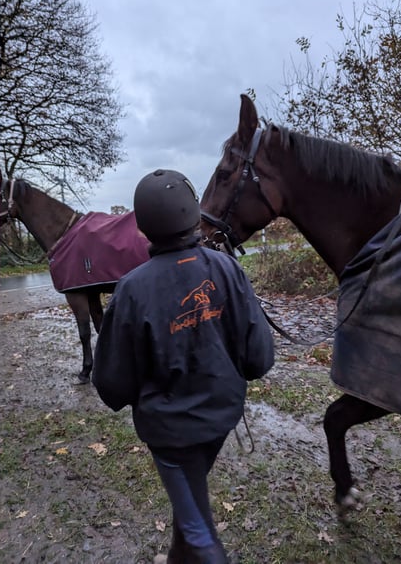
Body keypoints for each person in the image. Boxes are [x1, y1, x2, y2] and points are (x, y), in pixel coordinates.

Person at [92, 169, 274, 564]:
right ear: (194, 216)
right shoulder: (229, 270)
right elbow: (260, 359)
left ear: (142, 230)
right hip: (220, 420)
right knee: (190, 497)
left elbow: (112, 385)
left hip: (172, 436)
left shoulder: (131, 289)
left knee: (197, 527)